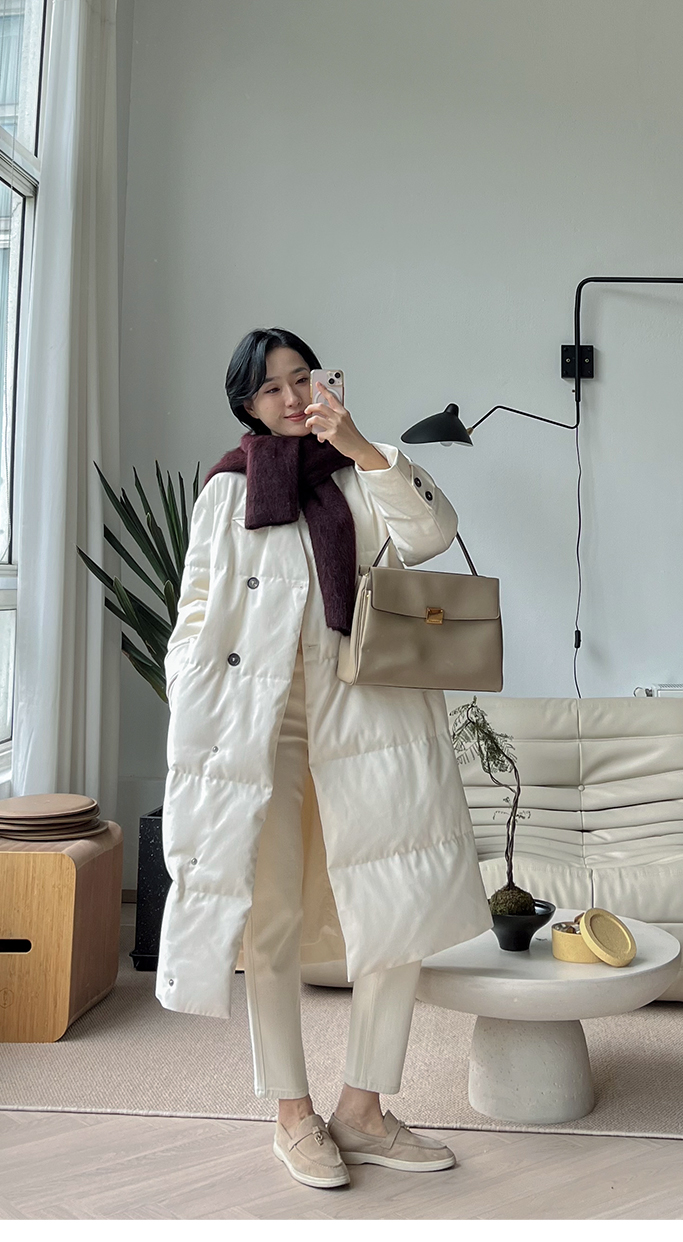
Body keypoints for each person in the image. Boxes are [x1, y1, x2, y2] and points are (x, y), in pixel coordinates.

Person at [156, 328, 494, 1190]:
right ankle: (291, 1115)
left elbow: (432, 534)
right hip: (259, 727)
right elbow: (195, 610)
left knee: (395, 907)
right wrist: (190, 683)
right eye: (273, 387)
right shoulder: (227, 491)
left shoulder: (358, 469)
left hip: (369, 717)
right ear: (246, 404)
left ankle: (364, 1110)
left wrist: (362, 446)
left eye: (302, 378)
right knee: (269, 918)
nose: (292, 396)